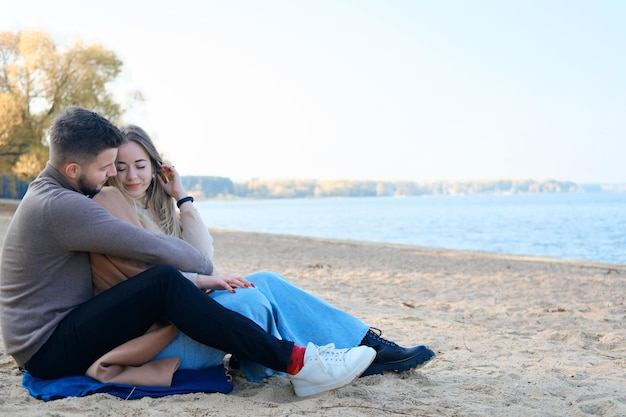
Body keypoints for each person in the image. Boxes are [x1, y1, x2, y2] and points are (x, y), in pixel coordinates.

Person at [0, 106, 378, 398]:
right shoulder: (64, 206)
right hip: (46, 349)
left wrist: (191, 246)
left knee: (168, 281)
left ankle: (303, 358)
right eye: (104, 169)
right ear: (71, 168)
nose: (108, 179)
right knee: (163, 280)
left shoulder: (50, 194)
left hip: (55, 335)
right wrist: (200, 270)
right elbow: (153, 248)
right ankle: (299, 363)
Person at [90, 124, 435, 382]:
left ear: (154, 166)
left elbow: (201, 256)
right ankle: (325, 357)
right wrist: (205, 280)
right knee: (251, 301)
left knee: (265, 282)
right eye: (120, 167)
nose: (131, 175)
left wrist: (182, 199)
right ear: (109, 170)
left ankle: (366, 345)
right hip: (160, 342)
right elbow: (149, 280)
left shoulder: (158, 210)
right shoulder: (111, 207)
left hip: (188, 321)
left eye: (139, 165)